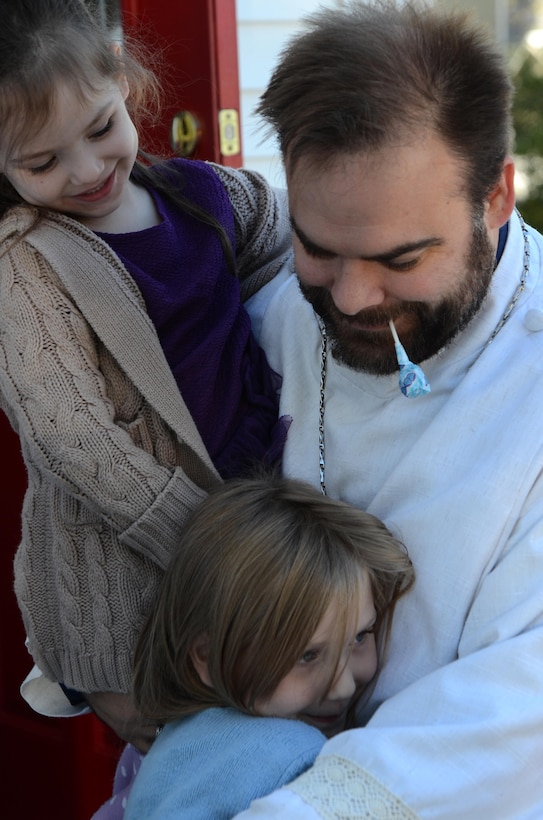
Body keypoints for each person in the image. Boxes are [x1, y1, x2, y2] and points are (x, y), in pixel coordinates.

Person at [234, 1, 543, 817]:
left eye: (400, 259)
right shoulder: (269, 318)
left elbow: (519, 706)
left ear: (494, 199)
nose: (349, 297)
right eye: (317, 248)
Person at [0, 0, 292, 753]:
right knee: (187, 771)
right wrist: (211, 548)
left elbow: (303, 236)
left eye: (100, 129)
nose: (88, 169)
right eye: (42, 161)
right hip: (133, 589)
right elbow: (75, 441)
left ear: (125, 86)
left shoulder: (197, 194)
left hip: (254, 529)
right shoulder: (28, 264)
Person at [116, 474, 413, 819]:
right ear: (208, 658)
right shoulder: (300, 763)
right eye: (307, 655)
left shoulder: (166, 745)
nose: (343, 686)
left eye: (360, 637)